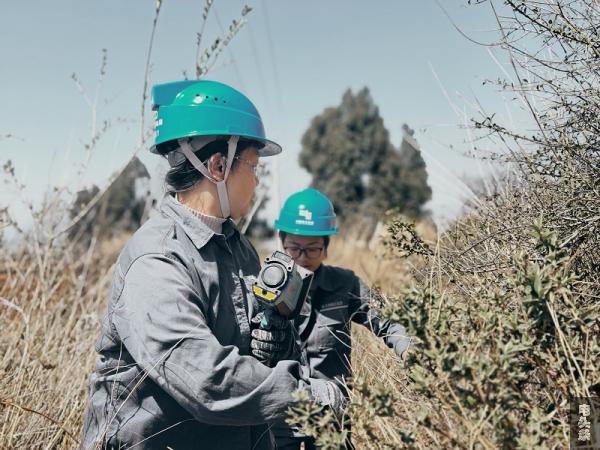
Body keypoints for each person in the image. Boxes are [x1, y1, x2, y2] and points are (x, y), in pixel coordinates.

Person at [80, 80, 344, 449]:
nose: (257, 182)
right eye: (253, 167)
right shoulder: (157, 260)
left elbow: (249, 357)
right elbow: (207, 379)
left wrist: (276, 341)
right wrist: (306, 394)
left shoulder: (239, 249)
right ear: (218, 166)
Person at [271, 188, 411, 450]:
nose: (302, 258)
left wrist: (409, 349)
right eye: (294, 249)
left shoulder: (346, 284)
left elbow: (389, 322)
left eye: (312, 249)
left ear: (326, 248)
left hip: (332, 414)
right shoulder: (264, 289)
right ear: (282, 243)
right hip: (280, 418)